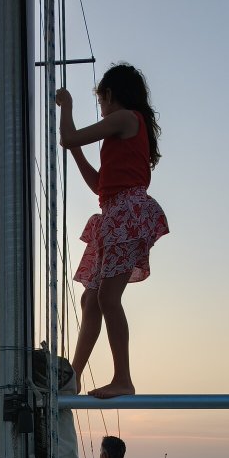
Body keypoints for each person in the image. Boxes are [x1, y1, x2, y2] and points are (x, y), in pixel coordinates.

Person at [56, 63, 169, 397]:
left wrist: (67, 106)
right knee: (91, 299)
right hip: (114, 213)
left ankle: (123, 379)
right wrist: (76, 150)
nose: (101, 108)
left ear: (109, 94)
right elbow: (99, 186)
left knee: (107, 297)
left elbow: (68, 136)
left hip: (126, 214)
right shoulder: (126, 127)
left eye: (100, 100)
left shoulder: (126, 118)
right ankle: (74, 376)